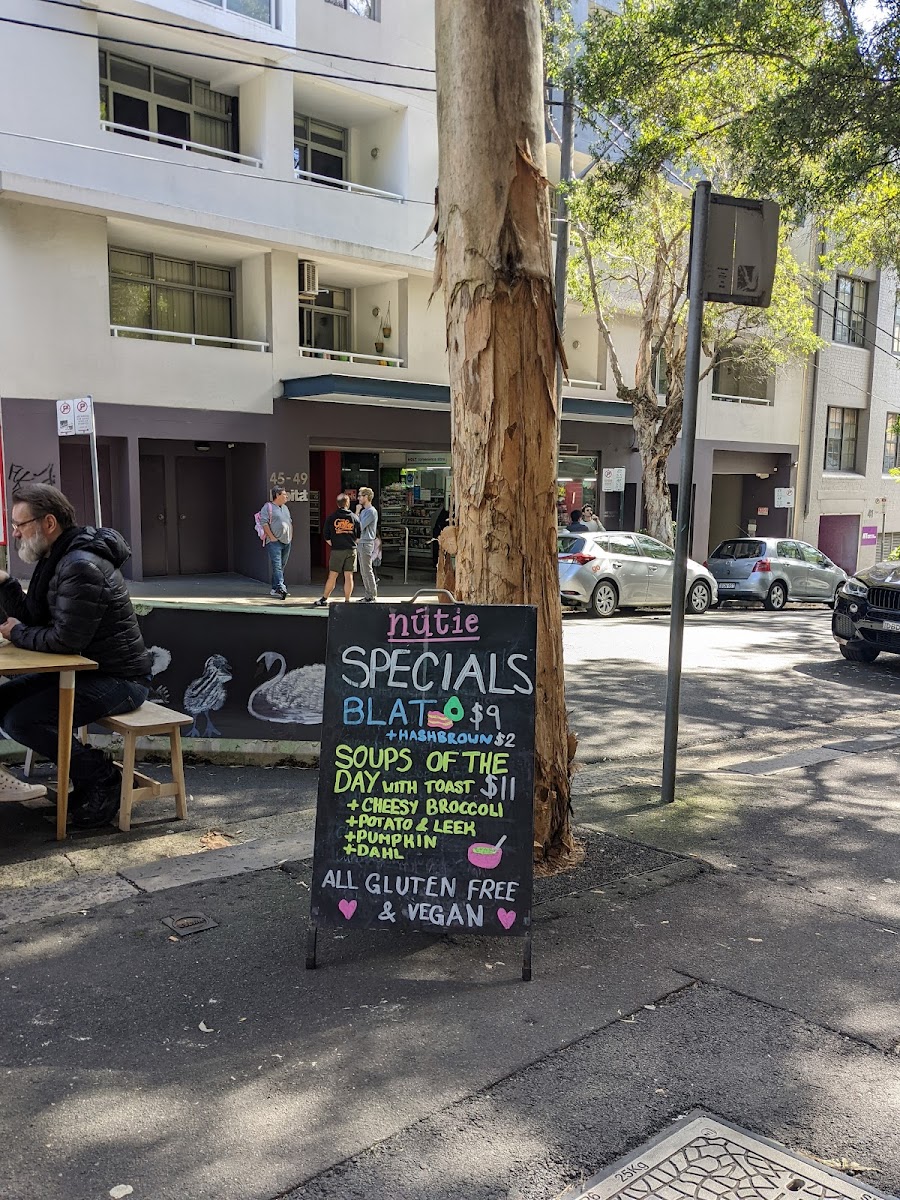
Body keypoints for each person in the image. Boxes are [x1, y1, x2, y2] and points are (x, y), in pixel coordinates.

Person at [0, 484, 152, 828]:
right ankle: (85, 775)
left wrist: (15, 632)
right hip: (85, 672)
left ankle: (101, 777)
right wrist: (6, 583)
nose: (15, 532)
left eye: (20, 524)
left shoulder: (80, 565)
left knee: (20, 720)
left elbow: (64, 640)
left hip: (120, 679)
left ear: (48, 522)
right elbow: (36, 618)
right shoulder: (54, 558)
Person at [314, 493, 360, 606]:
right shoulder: (354, 517)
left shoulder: (331, 517)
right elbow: (358, 536)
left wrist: (335, 543)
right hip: (351, 549)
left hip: (337, 550)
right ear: (348, 503)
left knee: (333, 575)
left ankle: (324, 599)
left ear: (337, 504)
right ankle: (347, 601)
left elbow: (326, 536)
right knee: (349, 576)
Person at [262, 486, 293, 599]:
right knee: (277, 565)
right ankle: (281, 587)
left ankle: (275, 588)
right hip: (274, 541)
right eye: (284, 494)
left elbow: (290, 522)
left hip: (286, 541)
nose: (286, 496)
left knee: (281, 565)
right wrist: (271, 537)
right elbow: (264, 523)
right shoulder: (268, 507)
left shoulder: (285, 508)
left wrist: (291, 536)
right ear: (278, 495)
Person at [356, 487, 378, 603]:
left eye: (360, 496)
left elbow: (359, 526)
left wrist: (357, 512)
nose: (358, 498)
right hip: (361, 542)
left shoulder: (371, 511)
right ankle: (368, 594)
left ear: (366, 497)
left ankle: (372, 594)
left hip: (367, 542)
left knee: (367, 569)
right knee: (364, 570)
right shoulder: (365, 511)